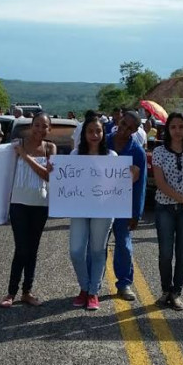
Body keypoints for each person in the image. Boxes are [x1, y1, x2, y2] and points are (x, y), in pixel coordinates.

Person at [0, 112, 57, 308]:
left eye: (44, 126)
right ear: (31, 126)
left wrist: (25, 157)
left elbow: (47, 176)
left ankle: (27, 291)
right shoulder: (18, 144)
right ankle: (11, 292)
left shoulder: (50, 148)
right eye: (37, 125)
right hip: (19, 204)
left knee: (33, 249)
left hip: (40, 204)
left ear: (49, 129)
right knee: (21, 248)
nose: (40, 129)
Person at [152, 112, 183, 311]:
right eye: (173, 127)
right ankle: (165, 290)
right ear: (168, 129)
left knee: (182, 253)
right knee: (165, 252)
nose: (177, 131)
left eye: (181, 127)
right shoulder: (159, 152)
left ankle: (176, 292)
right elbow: (161, 184)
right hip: (165, 207)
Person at [70, 116, 121, 311]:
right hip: (79, 208)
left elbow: (119, 183)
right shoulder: (75, 155)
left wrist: (130, 175)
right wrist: (54, 172)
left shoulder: (112, 157)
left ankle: (92, 292)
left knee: (97, 250)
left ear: (103, 133)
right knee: (76, 251)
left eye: (98, 131)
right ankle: (84, 286)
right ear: (84, 134)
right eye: (90, 131)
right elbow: (64, 180)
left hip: (104, 209)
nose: (94, 135)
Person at [106, 111, 146, 301]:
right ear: (118, 120)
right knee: (98, 245)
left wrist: (136, 213)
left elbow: (141, 184)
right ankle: (93, 285)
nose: (124, 129)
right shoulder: (102, 142)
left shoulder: (137, 151)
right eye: (123, 123)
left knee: (123, 245)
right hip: (100, 204)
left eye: (129, 127)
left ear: (135, 130)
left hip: (123, 205)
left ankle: (124, 284)